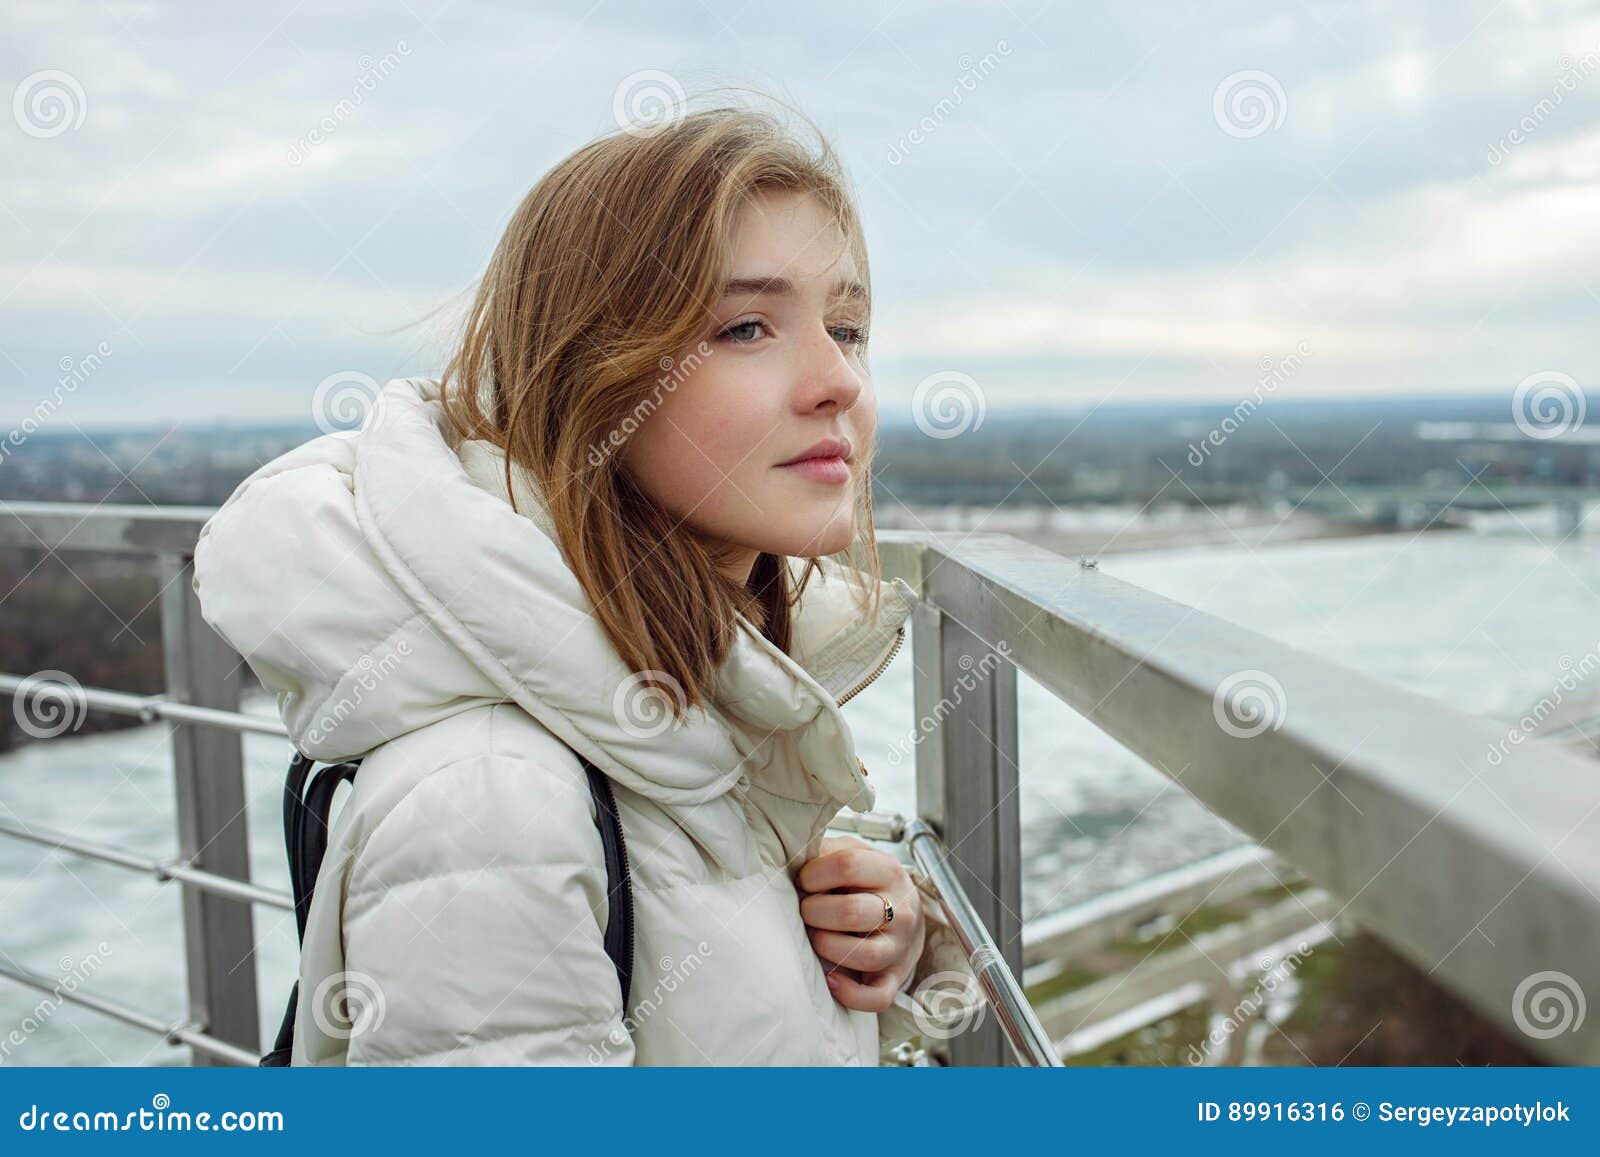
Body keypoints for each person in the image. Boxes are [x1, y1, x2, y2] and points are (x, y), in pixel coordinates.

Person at [192, 97, 974, 1065]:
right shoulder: (490, 801)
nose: (838, 381)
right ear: (589, 379)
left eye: (847, 327)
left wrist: (871, 946)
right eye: (744, 328)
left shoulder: (702, 693)